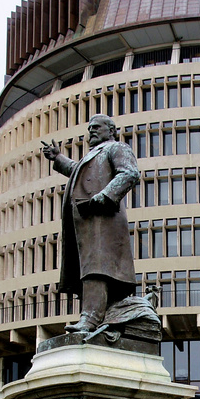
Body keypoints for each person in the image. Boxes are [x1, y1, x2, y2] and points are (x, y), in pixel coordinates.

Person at [43, 116, 140, 335]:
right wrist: (57, 158)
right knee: (90, 266)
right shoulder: (94, 155)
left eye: (96, 128)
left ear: (111, 130)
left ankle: (92, 317)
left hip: (103, 218)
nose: (91, 132)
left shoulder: (116, 148)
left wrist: (106, 195)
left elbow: (130, 173)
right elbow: (78, 171)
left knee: (98, 266)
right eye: (89, 129)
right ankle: (104, 315)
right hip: (87, 221)